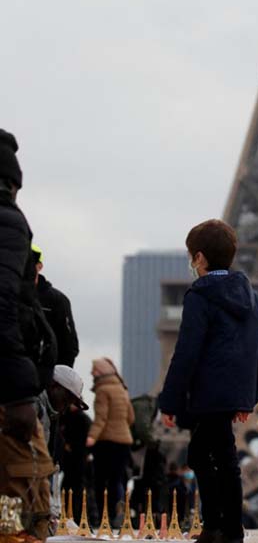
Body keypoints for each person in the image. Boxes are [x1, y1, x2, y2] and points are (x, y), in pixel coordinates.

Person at [159, 219, 258, 543]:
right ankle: (230, 527)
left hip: (208, 392)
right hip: (234, 391)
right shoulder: (250, 296)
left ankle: (215, 526)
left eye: (192, 256)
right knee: (223, 454)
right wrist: (248, 397)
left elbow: (186, 353)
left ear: (201, 259)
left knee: (201, 456)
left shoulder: (200, 296)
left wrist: (170, 401)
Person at [0, 128, 57, 540]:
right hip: (7, 387)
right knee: (25, 500)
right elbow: (3, 305)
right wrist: (21, 392)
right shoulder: (7, 221)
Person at [86, 357, 134, 525]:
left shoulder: (103, 390)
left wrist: (91, 437)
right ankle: (118, 510)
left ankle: (102, 516)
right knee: (117, 478)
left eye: (94, 370)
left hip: (106, 441)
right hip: (124, 441)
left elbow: (101, 418)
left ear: (100, 372)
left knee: (100, 480)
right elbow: (130, 417)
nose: (92, 373)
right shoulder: (123, 389)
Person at [31, 245, 78, 367]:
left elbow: (69, 346)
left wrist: (55, 380)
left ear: (39, 266)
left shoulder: (57, 301)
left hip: (45, 379)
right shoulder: (9, 295)